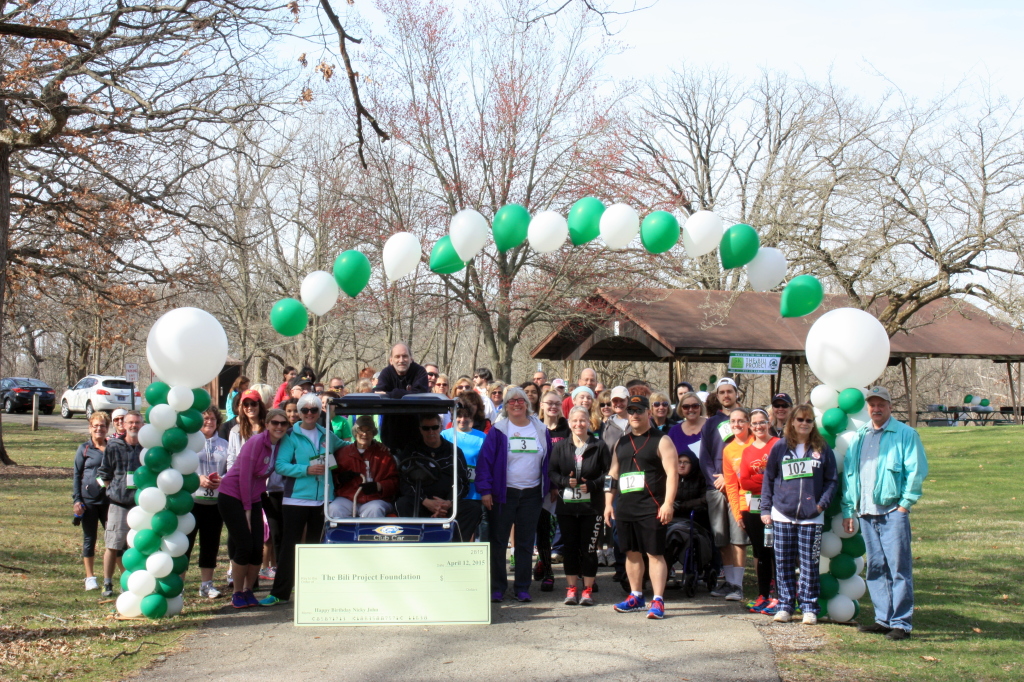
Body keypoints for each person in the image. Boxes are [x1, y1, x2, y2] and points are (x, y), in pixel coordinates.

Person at [842, 386, 928, 640]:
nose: (876, 409)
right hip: (866, 512)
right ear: (868, 408)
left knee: (898, 567)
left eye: (881, 405)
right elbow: (850, 475)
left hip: (892, 510)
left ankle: (901, 623)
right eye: (872, 405)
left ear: (890, 406)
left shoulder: (905, 434)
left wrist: (905, 504)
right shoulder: (860, 436)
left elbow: (916, 469)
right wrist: (849, 508)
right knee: (876, 567)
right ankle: (883, 619)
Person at [760, 404, 838, 625]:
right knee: (783, 561)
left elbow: (831, 480)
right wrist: (766, 508)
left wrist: (821, 505)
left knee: (809, 563)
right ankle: (785, 605)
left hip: (811, 516)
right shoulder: (780, 447)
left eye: (809, 420)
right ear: (792, 421)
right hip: (783, 513)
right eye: (800, 419)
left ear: (813, 424)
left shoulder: (822, 448)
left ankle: (809, 606)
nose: (804, 424)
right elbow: (769, 478)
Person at [605, 395, 679, 619]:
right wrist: (608, 503)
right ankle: (635, 596)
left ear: (649, 412)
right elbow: (613, 473)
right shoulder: (622, 441)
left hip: (652, 506)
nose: (635, 415)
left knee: (655, 553)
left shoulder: (662, 440)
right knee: (631, 552)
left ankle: (657, 600)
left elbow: (672, 473)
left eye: (639, 411)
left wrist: (668, 503)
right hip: (626, 506)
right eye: (631, 411)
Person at [477, 386, 552, 602]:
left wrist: (552, 487)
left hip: (532, 494)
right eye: (512, 401)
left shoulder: (540, 429)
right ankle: (498, 587)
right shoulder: (499, 431)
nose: (516, 404)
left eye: (521, 400)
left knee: (525, 543)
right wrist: (485, 490)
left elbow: (549, 460)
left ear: (527, 404)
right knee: (499, 542)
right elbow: (485, 463)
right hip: (503, 494)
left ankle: (522, 587)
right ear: (506, 406)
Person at [260, 394, 333, 606]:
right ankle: (279, 593)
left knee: (314, 547)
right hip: (296, 500)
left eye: (314, 410)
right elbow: (280, 466)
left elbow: (347, 447)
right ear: (299, 413)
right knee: (289, 547)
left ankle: (310, 591)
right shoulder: (290, 436)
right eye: (305, 410)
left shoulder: (326, 434)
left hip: (321, 501)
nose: (309, 414)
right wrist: (306, 470)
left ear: (320, 413)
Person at [218, 408, 289, 608]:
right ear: (267, 424)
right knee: (244, 545)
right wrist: (247, 511)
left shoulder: (282, 445)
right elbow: (244, 477)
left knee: (257, 546)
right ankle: (237, 592)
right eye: (275, 422)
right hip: (233, 495)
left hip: (254, 497)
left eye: (283, 423)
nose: (279, 427)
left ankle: (249, 590)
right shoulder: (257, 442)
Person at [549, 406, 611, 605]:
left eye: (582, 420)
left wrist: (592, 484)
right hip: (567, 507)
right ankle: (571, 589)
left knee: (589, 549)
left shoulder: (599, 446)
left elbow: (608, 473)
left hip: (592, 507)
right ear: (569, 423)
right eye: (574, 421)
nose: (578, 424)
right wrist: (565, 482)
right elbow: (552, 472)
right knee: (570, 548)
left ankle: (587, 589)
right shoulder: (560, 447)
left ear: (589, 422)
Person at [700, 377, 749, 598]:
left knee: (738, 536)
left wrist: (733, 480)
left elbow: (752, 453)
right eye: (722, 392)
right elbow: (704, 457)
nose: (726, 395)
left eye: (730, 391)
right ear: (717, 396)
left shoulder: (745, 419)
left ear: (736, 394)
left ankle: (738, 585)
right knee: (721, 537)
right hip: (716, 486)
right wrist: (715, 479)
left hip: (740, 486)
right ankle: (728, 582)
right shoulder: (711, 423)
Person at [396, 414, 477, 538]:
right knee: (403, 503)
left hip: (448, 504)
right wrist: (425, 501)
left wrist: (449, 502)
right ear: (420, 429)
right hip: (421, 501)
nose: (431, 432)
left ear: (440, 428)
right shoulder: (412, 450)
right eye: (426, 428)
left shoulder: (454, 451)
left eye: (434, 427)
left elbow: (462, 483)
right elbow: (404, 481)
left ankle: (454, 546)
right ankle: (413, 541)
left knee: (473, 509)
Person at [95, 410, 143, 597]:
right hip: (118, 503)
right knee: (113, 544)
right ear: (123, 424)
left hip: (140, 506)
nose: (133, 426)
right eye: (130, 422)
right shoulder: (114, 446)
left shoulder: (147, 447)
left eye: (137, 423)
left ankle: (130, 582)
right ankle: (107, 582)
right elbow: (103, 474)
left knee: (135, 547)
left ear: (142, 425)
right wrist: (110, 489)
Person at [188, 406, 229, 599]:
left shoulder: (224, 444)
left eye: (212, 419)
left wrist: (223, 479)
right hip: (192, 502)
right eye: (205, 419)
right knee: (186, 545)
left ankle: (206, 585)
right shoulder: (189, 443)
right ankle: (178, 585)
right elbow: (182, 467)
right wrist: (198, 478)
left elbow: (231, 469)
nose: (209, 422)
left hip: (215, 503)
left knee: (210, 545)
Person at [330, 416, 398, 518]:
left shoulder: (384, 455)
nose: (364, 434)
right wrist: (339, 479)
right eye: (360, 430)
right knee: (334, 508)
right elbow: (331, 477)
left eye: (369, 431)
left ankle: (371, 534)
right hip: (348, 497)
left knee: (374, 510)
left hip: (375, 499)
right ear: (355, 432)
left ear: (374, 433)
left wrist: (378, 486)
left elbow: (395, 482)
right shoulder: (342, 453)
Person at [73, 412, 111, 591]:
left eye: (102, 426)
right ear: (90, 428)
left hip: (110, 501)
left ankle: (114, 576)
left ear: (107, 428)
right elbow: (76, 475)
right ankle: (89, 577)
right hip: (88, 502)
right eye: (95, 426)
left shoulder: (112, 447)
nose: (99, 429)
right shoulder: (84, 449)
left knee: (114, 540)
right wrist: (77, 500)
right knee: (90, 538)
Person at [535, 389, 569, 590]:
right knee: (543, 529)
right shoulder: (535, 427)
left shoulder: (567, 428)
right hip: (543, 487)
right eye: (549, 403)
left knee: (567, 530)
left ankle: (577, 571)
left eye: (557, 403)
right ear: (542, 405)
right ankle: (547, 568)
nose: (553, 406)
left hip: (566, 486)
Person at [374, 343, 431, 452]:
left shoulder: (420, 372)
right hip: (391, 432)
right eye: (397, 356)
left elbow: (420, 395)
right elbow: (377, 393)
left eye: (405, 356)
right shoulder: (386, 372)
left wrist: (392, 394)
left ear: (411, 359)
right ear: (391, 360)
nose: (401, 360)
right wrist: (406, 394)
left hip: (416, 433)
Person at [442, 405, 486, 540]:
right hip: (450, 491)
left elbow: (485, 465)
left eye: (466, 416)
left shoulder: (482, 437)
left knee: (468, 530)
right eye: (459, 416)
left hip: (473, 492)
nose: (462, 419)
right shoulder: (445, 435)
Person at [226, 389, 266, 470]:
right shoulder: (235, 430)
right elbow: (232, 458)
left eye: (253, 404)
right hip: (242, 475)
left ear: (260, 405)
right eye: (246, 404)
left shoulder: (268, 428)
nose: (250, 407)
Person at [668, 391, 705, 460]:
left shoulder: (711, 426)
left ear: (700, 407)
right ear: (681, 409)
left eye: (695, 406)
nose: (690, 409)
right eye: (686, 407)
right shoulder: (674, 432)